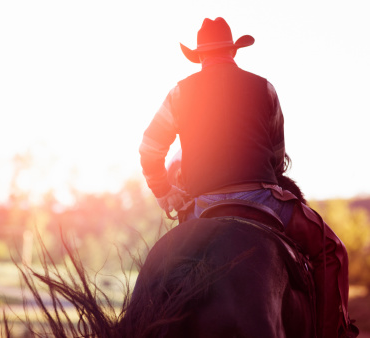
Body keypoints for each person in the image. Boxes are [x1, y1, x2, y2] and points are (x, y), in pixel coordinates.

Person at [139, 17, 358, 338]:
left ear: (199, 56)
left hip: (202, 206)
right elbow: (277, 157)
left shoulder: (179, 94)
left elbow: (149, 148)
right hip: (262, 197)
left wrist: (165, 192)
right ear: (233, 51)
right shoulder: (263, 87)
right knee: (332, 252)